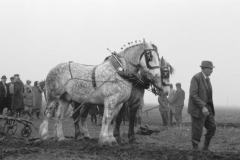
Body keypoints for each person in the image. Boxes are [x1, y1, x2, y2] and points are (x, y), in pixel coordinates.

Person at [188, 61, 216, 151]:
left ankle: (205, 148)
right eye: (210, 69)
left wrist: (208, 107)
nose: (212, 71)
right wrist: (203, 107)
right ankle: (195, 150)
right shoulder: (196, 78)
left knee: (212, 127)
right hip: (198, 109)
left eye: (212, 69)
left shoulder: (207, 79)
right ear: (203, 68)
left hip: (208, 108)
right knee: (197, 131)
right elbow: (193, 95)